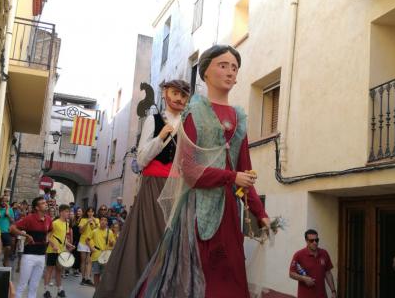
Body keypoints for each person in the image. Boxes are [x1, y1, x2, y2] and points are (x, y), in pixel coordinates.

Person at [130, 45, 270, 297]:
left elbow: (244, 173)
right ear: (205, 72)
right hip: (196, 210)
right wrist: (230, 177)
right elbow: (189, 169)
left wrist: (260, 213)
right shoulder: (194, 113)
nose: (230, 72)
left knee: (230, 275)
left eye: (234, 67)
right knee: (195, 278)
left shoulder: (239, 119)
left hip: (228, 210)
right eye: (223, 65)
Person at [94, 80, 191, 298]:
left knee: (174, 241)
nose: (179, 99)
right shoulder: (153, 119)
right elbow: (142, 158)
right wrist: (162, 136)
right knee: (152, 238)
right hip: (154, 186)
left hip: (178, 188)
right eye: (175, 93)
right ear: (165, 93)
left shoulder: (187, 124)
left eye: (184, 96)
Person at [10, 196, 52, 298]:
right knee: (22, 285)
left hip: (41, 256)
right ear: (36, 208)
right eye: (42, 203)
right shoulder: (29, 218)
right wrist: (26, 235)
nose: (45, 204)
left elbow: (50, 230)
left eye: (45, 202)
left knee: (34, 286)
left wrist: (47, 237)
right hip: (29, 256)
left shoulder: (48, 219)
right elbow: (12, 228)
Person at [289, 229, 336, 298]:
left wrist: (333, 291)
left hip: (322, 295)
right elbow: (291, 273)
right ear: (306, 241)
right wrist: (304, 278)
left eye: (316, 240)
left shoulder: (324, 253)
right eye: (311, 241)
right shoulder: (299, 255)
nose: (315, 243)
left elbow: (328, 273)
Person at [43, 204, 75, 298]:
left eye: (68, 212)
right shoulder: (55, 223)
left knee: (59, 270)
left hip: (61, 251)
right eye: (66, 211)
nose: (68, 213)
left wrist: (69, 245)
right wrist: (53, 245)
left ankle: (60, 290)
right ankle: (46, 290)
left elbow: (63, 238)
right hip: (52, 251)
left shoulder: (66, 224)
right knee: (49, 270)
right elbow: (47, 237)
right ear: (61, 212)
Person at [87, 215, 116, 287]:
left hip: (105, 256)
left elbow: (112, 245)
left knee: (104, 275)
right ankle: (96, 291)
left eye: (105, 220)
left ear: (107, 222)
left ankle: (101, 291)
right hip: (96, 255)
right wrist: (91, 247)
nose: (103, 221)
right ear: (99, 221)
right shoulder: (94, 231)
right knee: (96, 274)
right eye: (102, 219)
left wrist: (111, 243)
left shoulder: (110, 232)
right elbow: (87, 240)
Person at [78, 207, 99, 286]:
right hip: (83, 242)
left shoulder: (96, 220)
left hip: (91, 243)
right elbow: (80, 231)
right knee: (83, 261)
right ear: (87, 213)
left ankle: (88, 278)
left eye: (92, 212)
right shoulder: (83, 220)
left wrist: (95, 222)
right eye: (89, 212)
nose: (90, 213)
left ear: (94, 213)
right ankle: (83, 278)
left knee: (89, 261)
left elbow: (98, 230)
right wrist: (87, 223)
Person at [0, 194, 14, 266]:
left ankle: (5, 260)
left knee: (8, 247)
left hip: (6, 232)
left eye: (5, 201)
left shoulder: (10, 210)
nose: (4, 202)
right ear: (0, 202)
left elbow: (12, 221)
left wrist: (8, 215)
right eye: (2, 201)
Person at [71, 208, 83, 276]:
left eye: (79, 211)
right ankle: (74, 269)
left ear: (82, 212)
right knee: (74, 254)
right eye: (77, 211)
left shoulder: (83, 220)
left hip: (81, 239)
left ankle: (77, 269)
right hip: (74, 239)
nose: (78, 212)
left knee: (79, 255)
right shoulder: (73, 220)